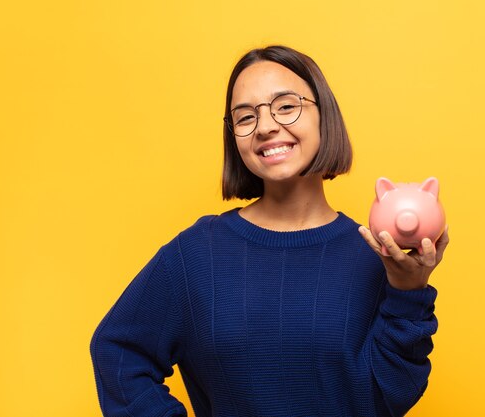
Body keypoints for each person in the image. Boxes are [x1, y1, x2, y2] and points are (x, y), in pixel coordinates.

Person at [90, 45, 450, 417]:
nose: (265, 126)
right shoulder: (197, 254)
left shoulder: (374, 255)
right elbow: (118, 350)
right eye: (245, 117)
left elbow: (387, 399)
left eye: (286, 106)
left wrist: (409, 292)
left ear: (323, 114)